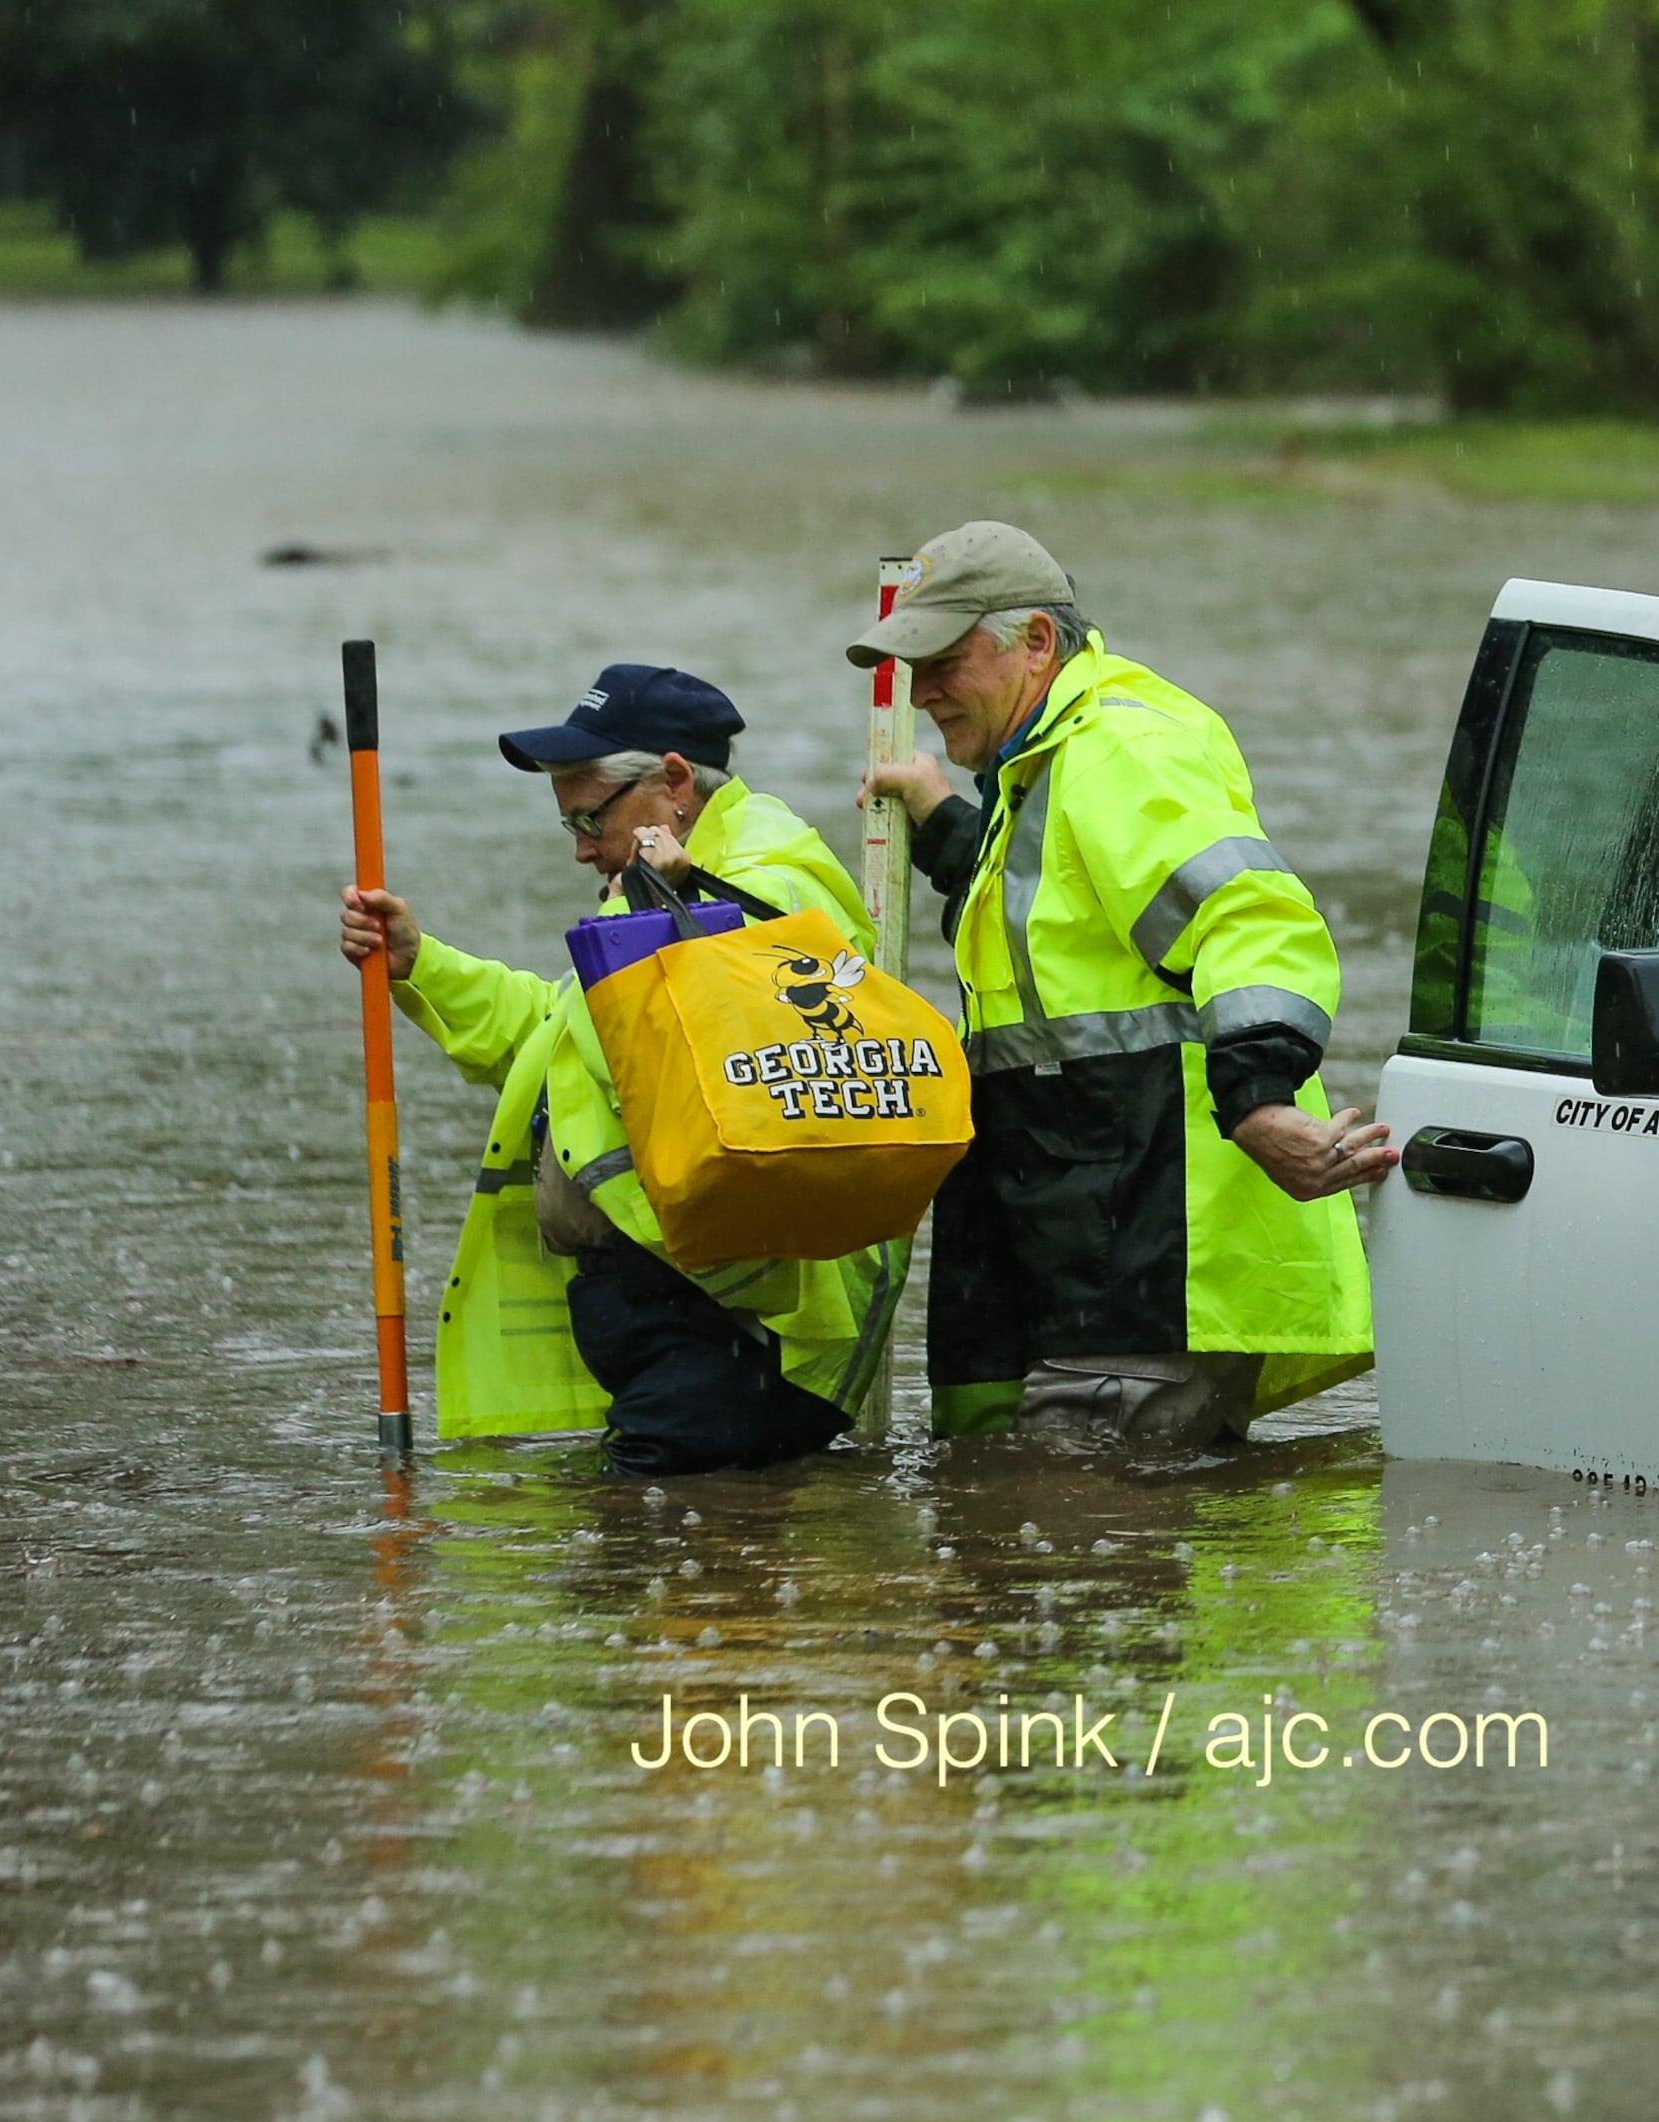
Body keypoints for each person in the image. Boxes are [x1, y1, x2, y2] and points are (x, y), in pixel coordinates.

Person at [851, 521, 1392, 1447]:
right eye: (912, 663)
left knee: (1093, 1544)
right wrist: (945, 826)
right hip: (1075, 1230)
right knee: (1049, 1549)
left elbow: (1255, 921)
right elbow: (1062, 921)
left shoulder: (1117, 750)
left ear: (1036, 643)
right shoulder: (1041, 766)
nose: (924, 687)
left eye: (945, 656)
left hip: (1148, 1242)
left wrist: (1259, 1096)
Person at [337, 666, 904, 1477]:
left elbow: (780, 970)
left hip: (746, 1321)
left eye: (588, 814)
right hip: (669, 1306)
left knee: (645, 1544)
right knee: (656, 1554)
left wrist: (686, 902)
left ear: (675, 782)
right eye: (565, 819)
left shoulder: (766, 868)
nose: (578, 846)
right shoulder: (644, 892)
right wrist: (418, 964)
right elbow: (555, 1043)